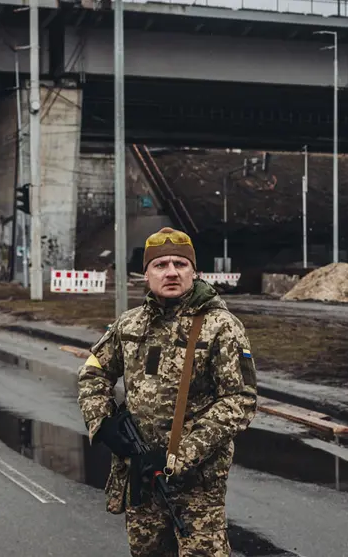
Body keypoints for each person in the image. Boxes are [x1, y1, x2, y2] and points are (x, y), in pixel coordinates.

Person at [77, 227, 258, 556]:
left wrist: (179, 457)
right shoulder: (129, 325)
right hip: (141, 479)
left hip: (196, 487)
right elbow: (94, 369)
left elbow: (240, 402)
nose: (171, 272)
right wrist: (102, 422)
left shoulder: (221, 326)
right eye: (160, 265)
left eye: (180, 264)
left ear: (194, 271)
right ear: (145, 274)